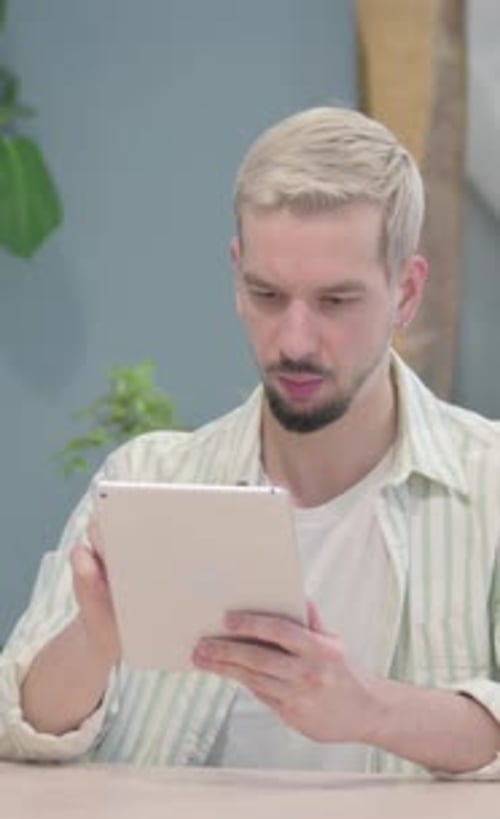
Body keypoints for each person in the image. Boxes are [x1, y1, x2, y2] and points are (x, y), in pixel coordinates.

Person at [1, 106, 500, 776]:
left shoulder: (490, 485)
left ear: (406, 294)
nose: (294, 342)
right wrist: (95, 642)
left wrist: (369, 710)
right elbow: (19, 727)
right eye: (267, 294)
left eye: (336, 302)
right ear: (237, 277)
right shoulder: (150, 476)